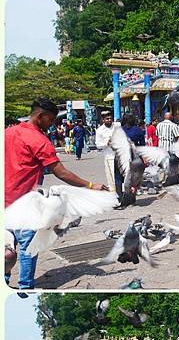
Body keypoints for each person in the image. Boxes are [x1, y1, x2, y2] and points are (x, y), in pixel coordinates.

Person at [5, 99, 108, 289]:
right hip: (26, 204)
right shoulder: (39, 140)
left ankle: (4, 279)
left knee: (7, 250)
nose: (52, 124)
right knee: (28, 248)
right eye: (50, 120)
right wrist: (90, 184)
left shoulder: (7, 132)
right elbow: (60, 172)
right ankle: (25, 287)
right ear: (40, 116)